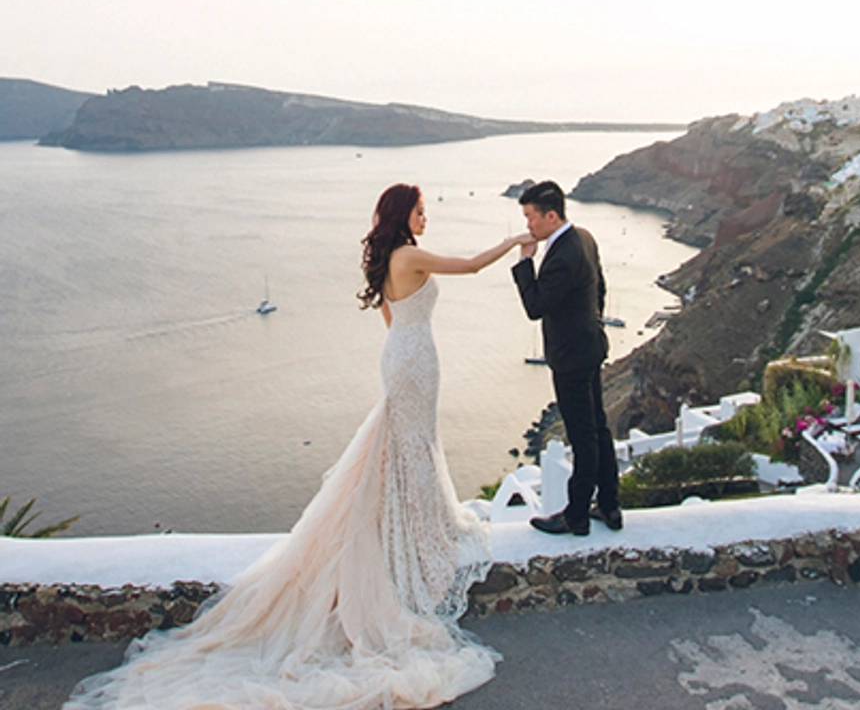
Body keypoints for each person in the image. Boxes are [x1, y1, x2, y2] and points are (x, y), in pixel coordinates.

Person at [65, 183, 531, 710]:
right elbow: (468, 266)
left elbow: (391, 319)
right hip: (416, 358)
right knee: (412, 447)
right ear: (405, 216)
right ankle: (423, 538)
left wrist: (407, 348)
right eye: (422, 211)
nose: (426, 218)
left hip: (400, 352)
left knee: (403, 447)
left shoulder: (386, 260)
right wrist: (516, 241)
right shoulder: (411, 254)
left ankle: (415, 531)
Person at [511, 180, 622, 536]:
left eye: (530, 217)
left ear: (551, 215)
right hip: (590, 346)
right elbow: (599, 288)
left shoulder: (560, 255)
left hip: (571, 356)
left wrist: (525, 264)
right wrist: (590, 325)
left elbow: (536, 307)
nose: (528, 226)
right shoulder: (584, 239)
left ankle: (575, 516)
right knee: (598, 428)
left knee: (582, 435)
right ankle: (609, 505)